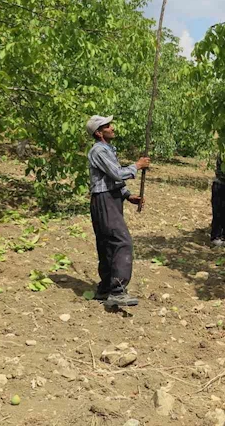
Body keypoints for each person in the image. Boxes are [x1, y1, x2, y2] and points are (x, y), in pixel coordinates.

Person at [86, 115, 150, 308]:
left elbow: (111, 179)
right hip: (104, 199)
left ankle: (105, 288)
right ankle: (117, 290)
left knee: (107, 242)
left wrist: (127, 195)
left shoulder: (107, 149)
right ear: (99, 132)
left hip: (109, 198)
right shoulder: (98, 150)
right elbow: (116, 173)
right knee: (122, 242)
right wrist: (137, 166)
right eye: (107, 126)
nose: (112, 128)